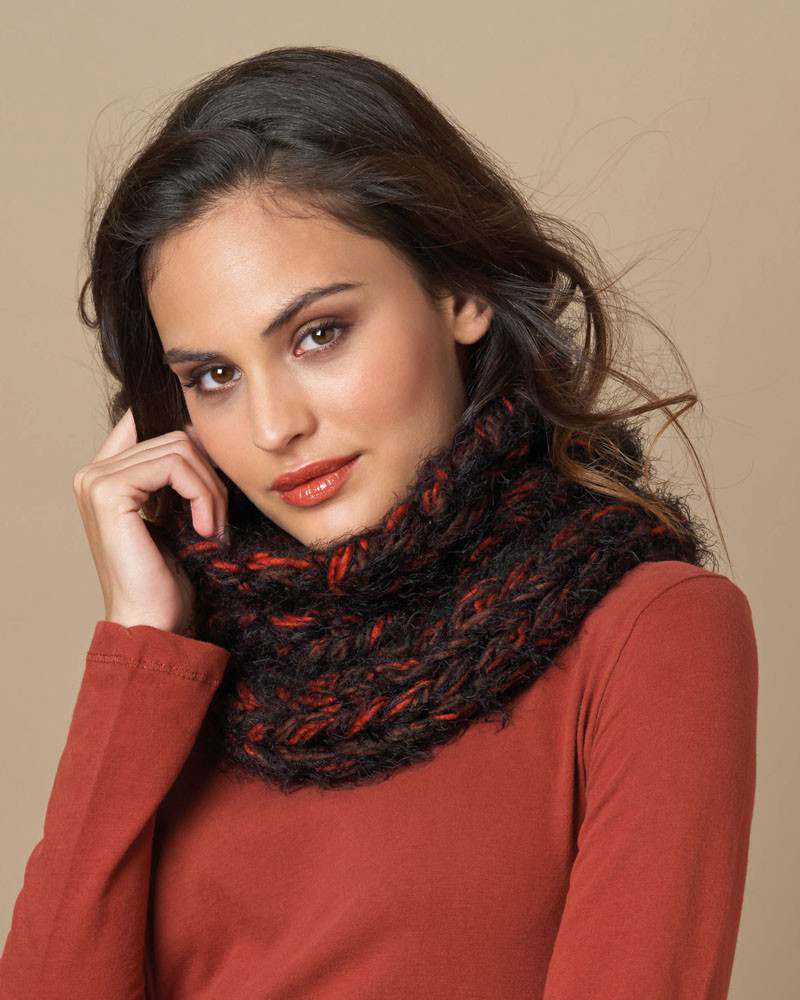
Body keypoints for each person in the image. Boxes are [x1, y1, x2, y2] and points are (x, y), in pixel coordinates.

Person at [0, 45, 758, 999]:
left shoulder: (650, 631)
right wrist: (143, 642)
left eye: (319, 334)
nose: (274, 427)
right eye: (214, 376)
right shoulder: (188, 663)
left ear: (460, 293)